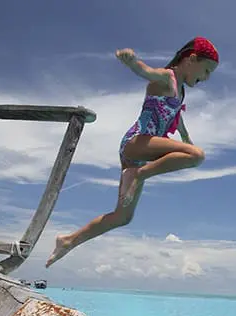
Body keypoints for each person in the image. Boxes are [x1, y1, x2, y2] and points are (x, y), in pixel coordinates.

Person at [45, 36, 219, 268]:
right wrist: (132, 63)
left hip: (140, 152)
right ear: (191, 59)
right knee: (196, 156)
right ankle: (138, 175)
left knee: (123, 217)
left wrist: (185, 136)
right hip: (136, 141)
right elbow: (148, 72)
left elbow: (176, 113)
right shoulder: (168, 77)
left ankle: (68, 241)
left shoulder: (181, 91)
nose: (206, 78)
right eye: (206, 70)